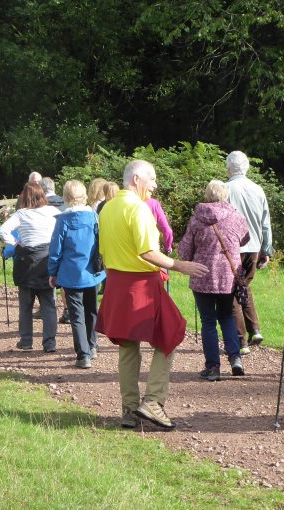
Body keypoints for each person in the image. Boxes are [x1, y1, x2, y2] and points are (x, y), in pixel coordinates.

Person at [96, 160, 208, 430]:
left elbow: (103, 251)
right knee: (172, 333)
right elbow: (148, 252)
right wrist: (179, 265)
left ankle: (129, 409)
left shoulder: (107, 207)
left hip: (117, 284)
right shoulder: (138, 208)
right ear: (136, 179)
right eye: (153, 179)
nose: (155, 186)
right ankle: (154, 402)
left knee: (128, 346)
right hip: (141, 284)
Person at [178, 180, 249, 381]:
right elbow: (244, 239)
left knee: (208, 321)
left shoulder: (196, 219)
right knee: (227, 316)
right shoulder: (236, 217)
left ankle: (213, 367)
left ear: (207, 194)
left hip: (202, 274)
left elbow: (184, 251)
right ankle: (235, 358)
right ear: (225, 195)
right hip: (229, 274)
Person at [48, 180, 106, 368]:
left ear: (66, 196)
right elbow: (101, 244)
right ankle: (92, 345)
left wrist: (52, 272)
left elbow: (55, 250)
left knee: (77, 314)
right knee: (91, 310)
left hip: (71, 274)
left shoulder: (63, 220)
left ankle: (83, 355)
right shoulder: (94, 217)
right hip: (92, 272)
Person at [0, 183, 61, 352]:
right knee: (48, 304)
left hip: (25, 261)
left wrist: (15, 243)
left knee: (25, 305)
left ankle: (26, 340)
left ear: (24, 197)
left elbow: (2, 231)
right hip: (47, 260)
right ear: (42, 195)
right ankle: (50, 343)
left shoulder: (21, 214)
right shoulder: (53, 212)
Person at [226, 151, 272, 354]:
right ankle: (255, 330)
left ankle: (241, 342)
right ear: (247, 167)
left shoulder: (225, 189)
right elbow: (265, 224)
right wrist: (266, 250)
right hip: (253, 247)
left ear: (228, 168)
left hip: (233, 248)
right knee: (243, 286)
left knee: (232, 294)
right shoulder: (258, 189)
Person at [146, 190, 173, 254]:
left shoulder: (127, 203)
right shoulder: (153, 203)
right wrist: (168, 248)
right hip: (151, 247)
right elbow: (167, 230)